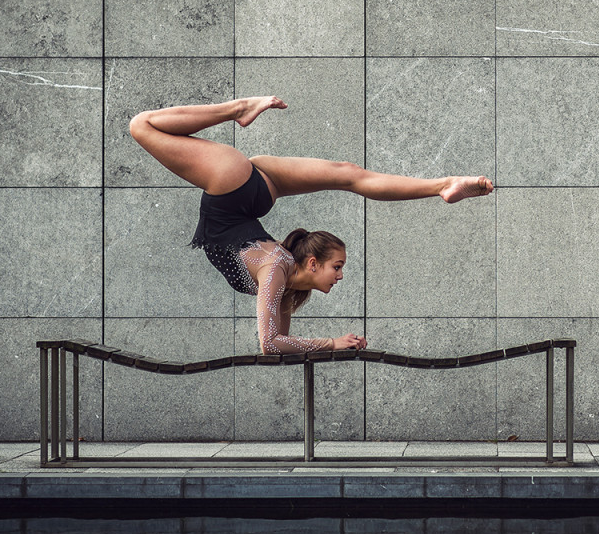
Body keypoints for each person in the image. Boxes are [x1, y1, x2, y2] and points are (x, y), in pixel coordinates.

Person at [128, 95, 493, 354]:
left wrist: (332, 345)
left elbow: (279, 345)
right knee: (140, 124)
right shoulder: (277, 269)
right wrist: (331, 342)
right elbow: (272, 345)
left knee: (350, 174)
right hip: (232, 187)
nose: (341, 275)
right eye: (338, 266)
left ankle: (443, 185)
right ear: (312, 262)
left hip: (243, 192)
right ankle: (239, 109)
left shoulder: (281, 277)